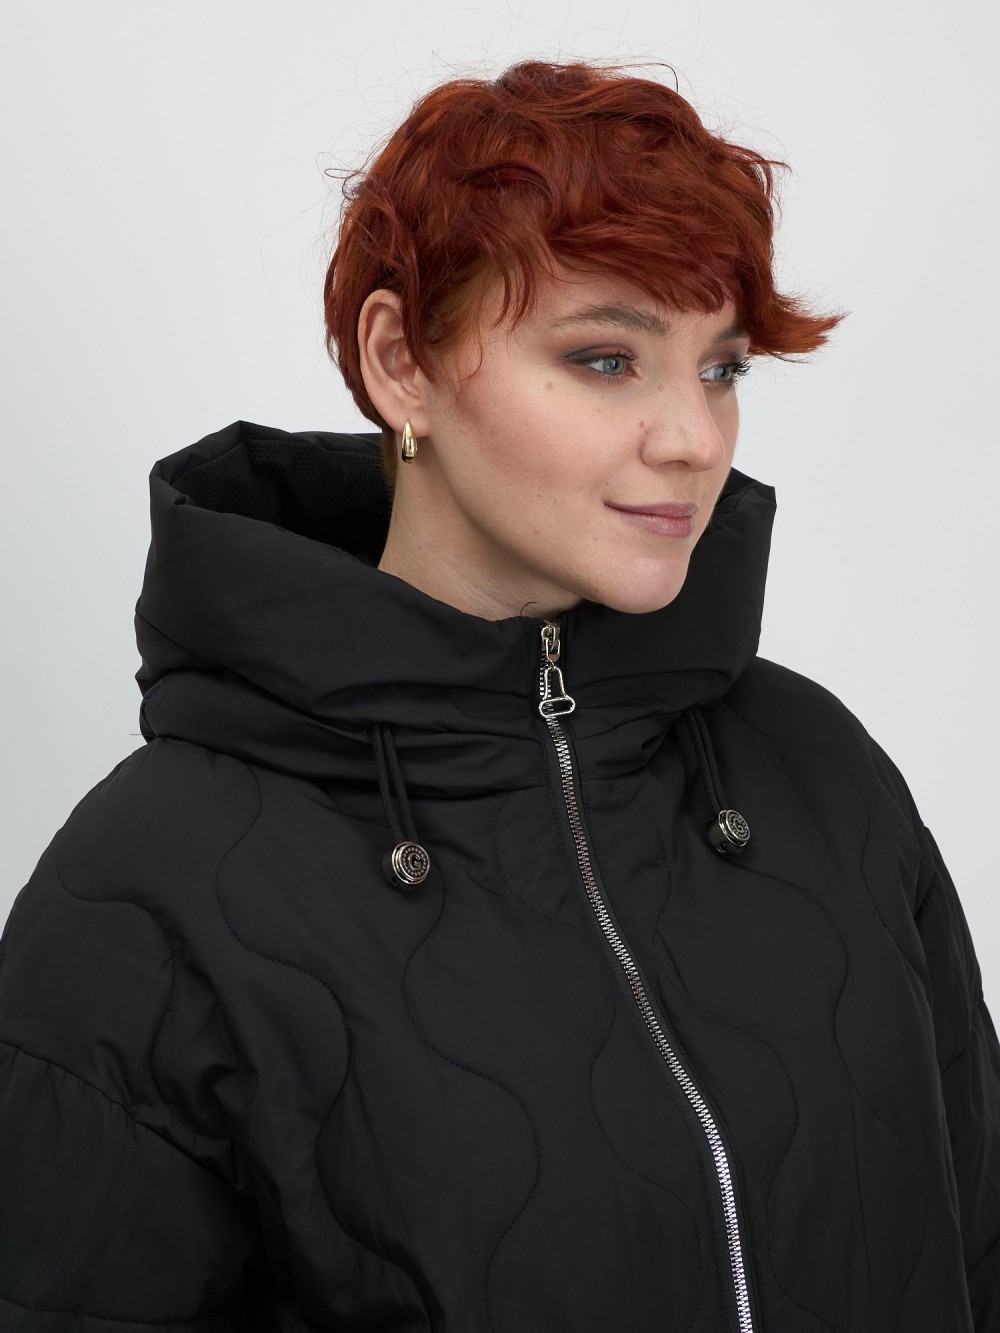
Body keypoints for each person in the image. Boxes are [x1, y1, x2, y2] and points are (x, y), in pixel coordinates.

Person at [0, 57, 996, 1332]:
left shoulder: (818, 770)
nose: (692, 438)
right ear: (401, 361)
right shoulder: (148, 890)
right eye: (605, 358)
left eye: (720, 368)